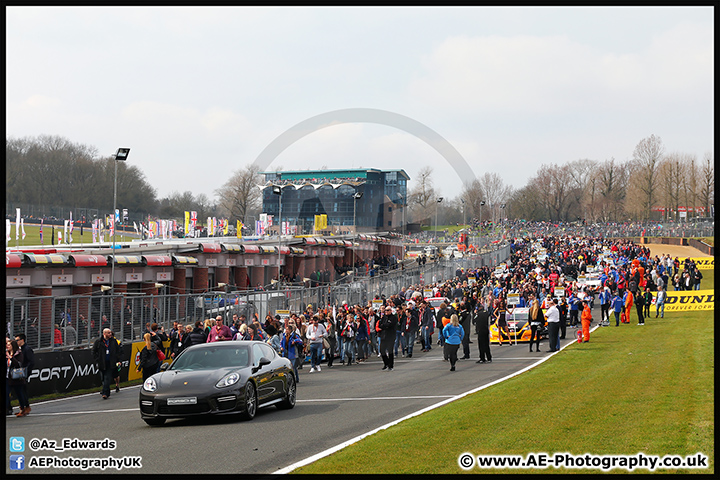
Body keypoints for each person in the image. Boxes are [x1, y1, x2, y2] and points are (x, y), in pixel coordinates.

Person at [92, 328, 121, 399]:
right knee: (103, 378)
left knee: (107, 377)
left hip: (110, 362)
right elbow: (93, 351)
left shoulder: (113, 341)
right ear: (104, 334)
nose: (110, 334)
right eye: (108, 333)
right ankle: (105, 389)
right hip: (102, 363)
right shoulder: (98, 341)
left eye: (110, 333)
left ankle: (105, 393)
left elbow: (117, 351)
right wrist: (97, 360)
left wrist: (118, 360)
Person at [14, 333, 34, 416]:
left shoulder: (27, 349)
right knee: (20, 390)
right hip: (18, 371)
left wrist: (26, 371)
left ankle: (26, 406)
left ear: (22, 340)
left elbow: (31, 361)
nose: (16, 342)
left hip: (24, 372)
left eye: (17, 340)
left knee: (22, 390)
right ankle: (23, 407)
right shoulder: (18, 349)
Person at [7, 339, 27, 416]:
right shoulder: (6, 353)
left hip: (16, 378)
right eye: (7, 345)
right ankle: (8, 408)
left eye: (9, 345)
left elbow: (19, 364)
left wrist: (11, 358)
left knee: (19, 393)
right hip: (8, 377)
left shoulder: (19, 353)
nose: (7, 346)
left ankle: (22, 408)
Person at [378, 306, 398, 371]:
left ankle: (390, 365)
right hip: (383, 336)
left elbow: (390, 325)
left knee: (390, 351)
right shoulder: (384, 317)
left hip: (391, 336)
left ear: (391, 311)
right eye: (385, 310)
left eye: (388, 310)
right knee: (382, 350)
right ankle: (386, 363)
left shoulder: (394, 317)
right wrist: (384, 326)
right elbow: (380, 325)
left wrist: (384, 325)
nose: (386, 311)